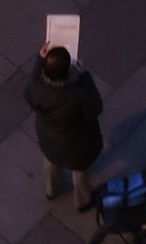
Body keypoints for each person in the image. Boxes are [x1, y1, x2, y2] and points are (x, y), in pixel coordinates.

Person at [27, 36, 104, 196]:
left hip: (49, 140)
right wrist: (86, 77)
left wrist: (40, 60)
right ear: (68, 70)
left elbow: (31, 83)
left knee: (52, 163)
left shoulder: (36, 89)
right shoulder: (77, 93)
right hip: (77, 146)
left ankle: (51, 190)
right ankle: (83, 200)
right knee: (80, 171)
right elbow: (95, 108)